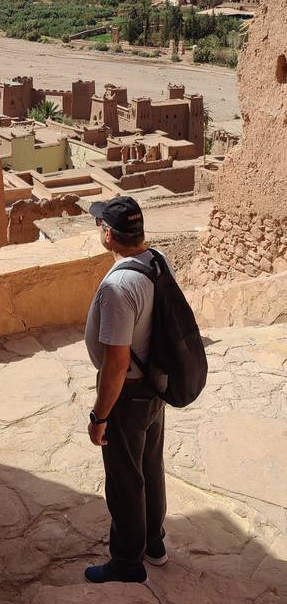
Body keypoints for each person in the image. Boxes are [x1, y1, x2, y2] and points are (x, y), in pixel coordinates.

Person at [84, 196, 170, 584]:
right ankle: (154, 543)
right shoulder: (156, 261)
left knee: (124, 479)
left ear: (108, 235)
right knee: (150, 467)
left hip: (129, 393)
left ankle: (126, 562)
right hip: (154, 386)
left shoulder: (119, 286)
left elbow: (116, 363)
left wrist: (100, 415)